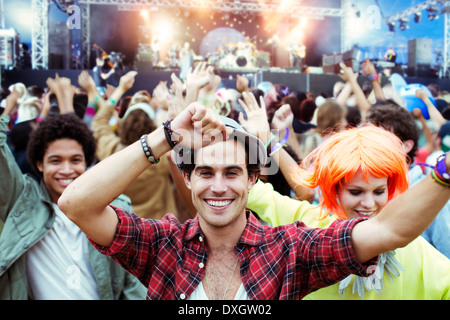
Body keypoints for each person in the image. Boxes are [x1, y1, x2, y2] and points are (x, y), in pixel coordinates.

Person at [59, 91, 450, 300]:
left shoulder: (288, 250)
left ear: (252, 182)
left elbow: (387, 232)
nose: (217, 186)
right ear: (188, 180)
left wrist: (445, 173)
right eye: (205, 173)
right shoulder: (163, 245)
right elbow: (76, 204)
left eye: (232, 173)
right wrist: (166, 136)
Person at [0, 82, 146, 300]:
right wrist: (9, 106)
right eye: (56, 161)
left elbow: (133, 284)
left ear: (87, 161)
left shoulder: (116, 207)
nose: (67, 170)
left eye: (75, 160)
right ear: (39, 164)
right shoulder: (21, 200)